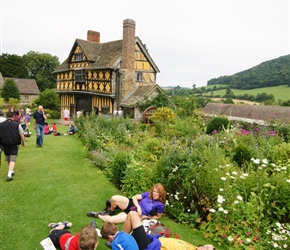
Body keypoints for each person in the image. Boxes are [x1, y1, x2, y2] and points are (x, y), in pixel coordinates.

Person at [101, 211, 215, 250]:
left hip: (149, 247)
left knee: (132, 215)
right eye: (206, 246)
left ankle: (118, 241)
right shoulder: (193, 247)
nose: (205, 247)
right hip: (153, 241)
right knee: (134, 219)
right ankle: (119, 242)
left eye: (207, 249)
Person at [88, 183, 166, 224]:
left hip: (134, 214)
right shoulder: (148, 194)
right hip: (133, 204)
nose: (155, 194)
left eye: (157, 192)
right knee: (114, 198)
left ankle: (97, 215)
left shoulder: (160, 205)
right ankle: (111, 210)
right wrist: (138, 207)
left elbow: (158, 217)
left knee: (111, 221)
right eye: (154, 191)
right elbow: (134, 197)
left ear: (161, 193)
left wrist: (147, 217)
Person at [0, 110, 26, 181]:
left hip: (5, 143)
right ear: (13, 117)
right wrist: (23, 142)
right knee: (12, 159)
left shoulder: (1, 125)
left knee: (8, 158)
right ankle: (9, 174)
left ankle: (11, 170)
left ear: (6, 116)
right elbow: (21, 134)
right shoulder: (17, 125)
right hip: (14, 143)